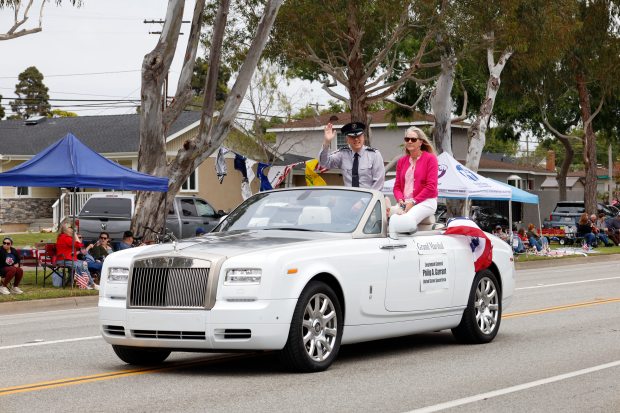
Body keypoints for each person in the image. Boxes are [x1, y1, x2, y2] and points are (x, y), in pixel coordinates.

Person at [388, 126, 438, 232]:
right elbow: (397, 187)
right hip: (405, 202)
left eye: (413, 139)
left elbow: (431, 187)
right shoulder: (401, 161)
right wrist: (400, 200)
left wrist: (413, 202)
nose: (409, 141)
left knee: (405, 221)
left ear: (420, 142)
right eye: (407, 139)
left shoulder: (430, 159)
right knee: (388, 220)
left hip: (426, 201)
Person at [318, 121, 385, 190]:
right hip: (350, 198)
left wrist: (367, 199)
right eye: (352, 137)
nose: (356, 139)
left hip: (370, 198)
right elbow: (324, 163)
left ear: (363, 137)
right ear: (347, 140)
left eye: (359, 136)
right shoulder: (342, 154)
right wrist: (327, 142)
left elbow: (379, 183)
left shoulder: (374, 155)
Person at [55, 223, 98, 290]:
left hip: (68, 259)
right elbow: (79, 245)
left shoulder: (65, 237)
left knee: (84, 264)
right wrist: (75, 235)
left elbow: (79, 246)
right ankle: (88, 284)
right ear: (65, 229)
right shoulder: (65, 238)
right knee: (80, 265)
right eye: (70, 227)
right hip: (64, 260)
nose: (72, 229)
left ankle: (89, 283)